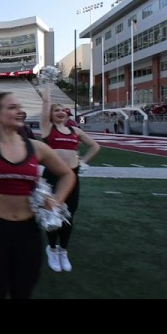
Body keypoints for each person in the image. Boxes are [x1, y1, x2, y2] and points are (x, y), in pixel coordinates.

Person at [0, 53, 76, 299]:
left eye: (20, 107)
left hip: (28, 232)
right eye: (12, 107)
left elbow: (67, 175)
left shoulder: (36, 147)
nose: (19, 111)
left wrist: (57, 201)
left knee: (23, 292)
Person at [40, 82, 100, 273]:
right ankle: (51, 248)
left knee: (69, 215)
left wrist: (84, 161)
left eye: (63, 110)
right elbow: (46, 101)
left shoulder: (76, 131)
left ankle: (63, 251)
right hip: (52, 176)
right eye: (56, 110)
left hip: (72, 177)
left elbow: (95, 146)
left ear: (68, 114)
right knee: (52, 214)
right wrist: (48, 83)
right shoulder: (48, 129)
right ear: (50, 115)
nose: (60, 112)